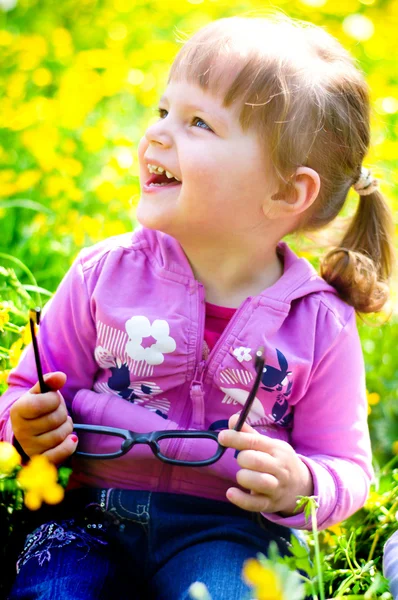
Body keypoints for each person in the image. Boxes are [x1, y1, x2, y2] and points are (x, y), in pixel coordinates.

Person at [0, 14, 394, 600]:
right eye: (164, 112)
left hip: (227, 532)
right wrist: (27, 425)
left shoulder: (318, 323)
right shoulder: (102, 275)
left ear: (286, 192)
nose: (157, 135)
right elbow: (22, 392)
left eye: (198, 123)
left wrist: (302, 483)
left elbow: (346, 464)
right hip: (84, 519)